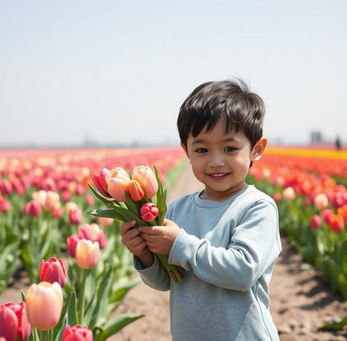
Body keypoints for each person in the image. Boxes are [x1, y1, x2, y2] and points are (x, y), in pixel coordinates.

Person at [120, 79, 282, 341]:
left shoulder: (256, 207)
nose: (216, 161)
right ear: (187, 151)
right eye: (202, 150)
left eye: (230, 148)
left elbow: (242, 272)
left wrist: (180, 244)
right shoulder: (178, 209)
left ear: (256, 149)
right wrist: (145, 255)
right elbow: (167, 281)